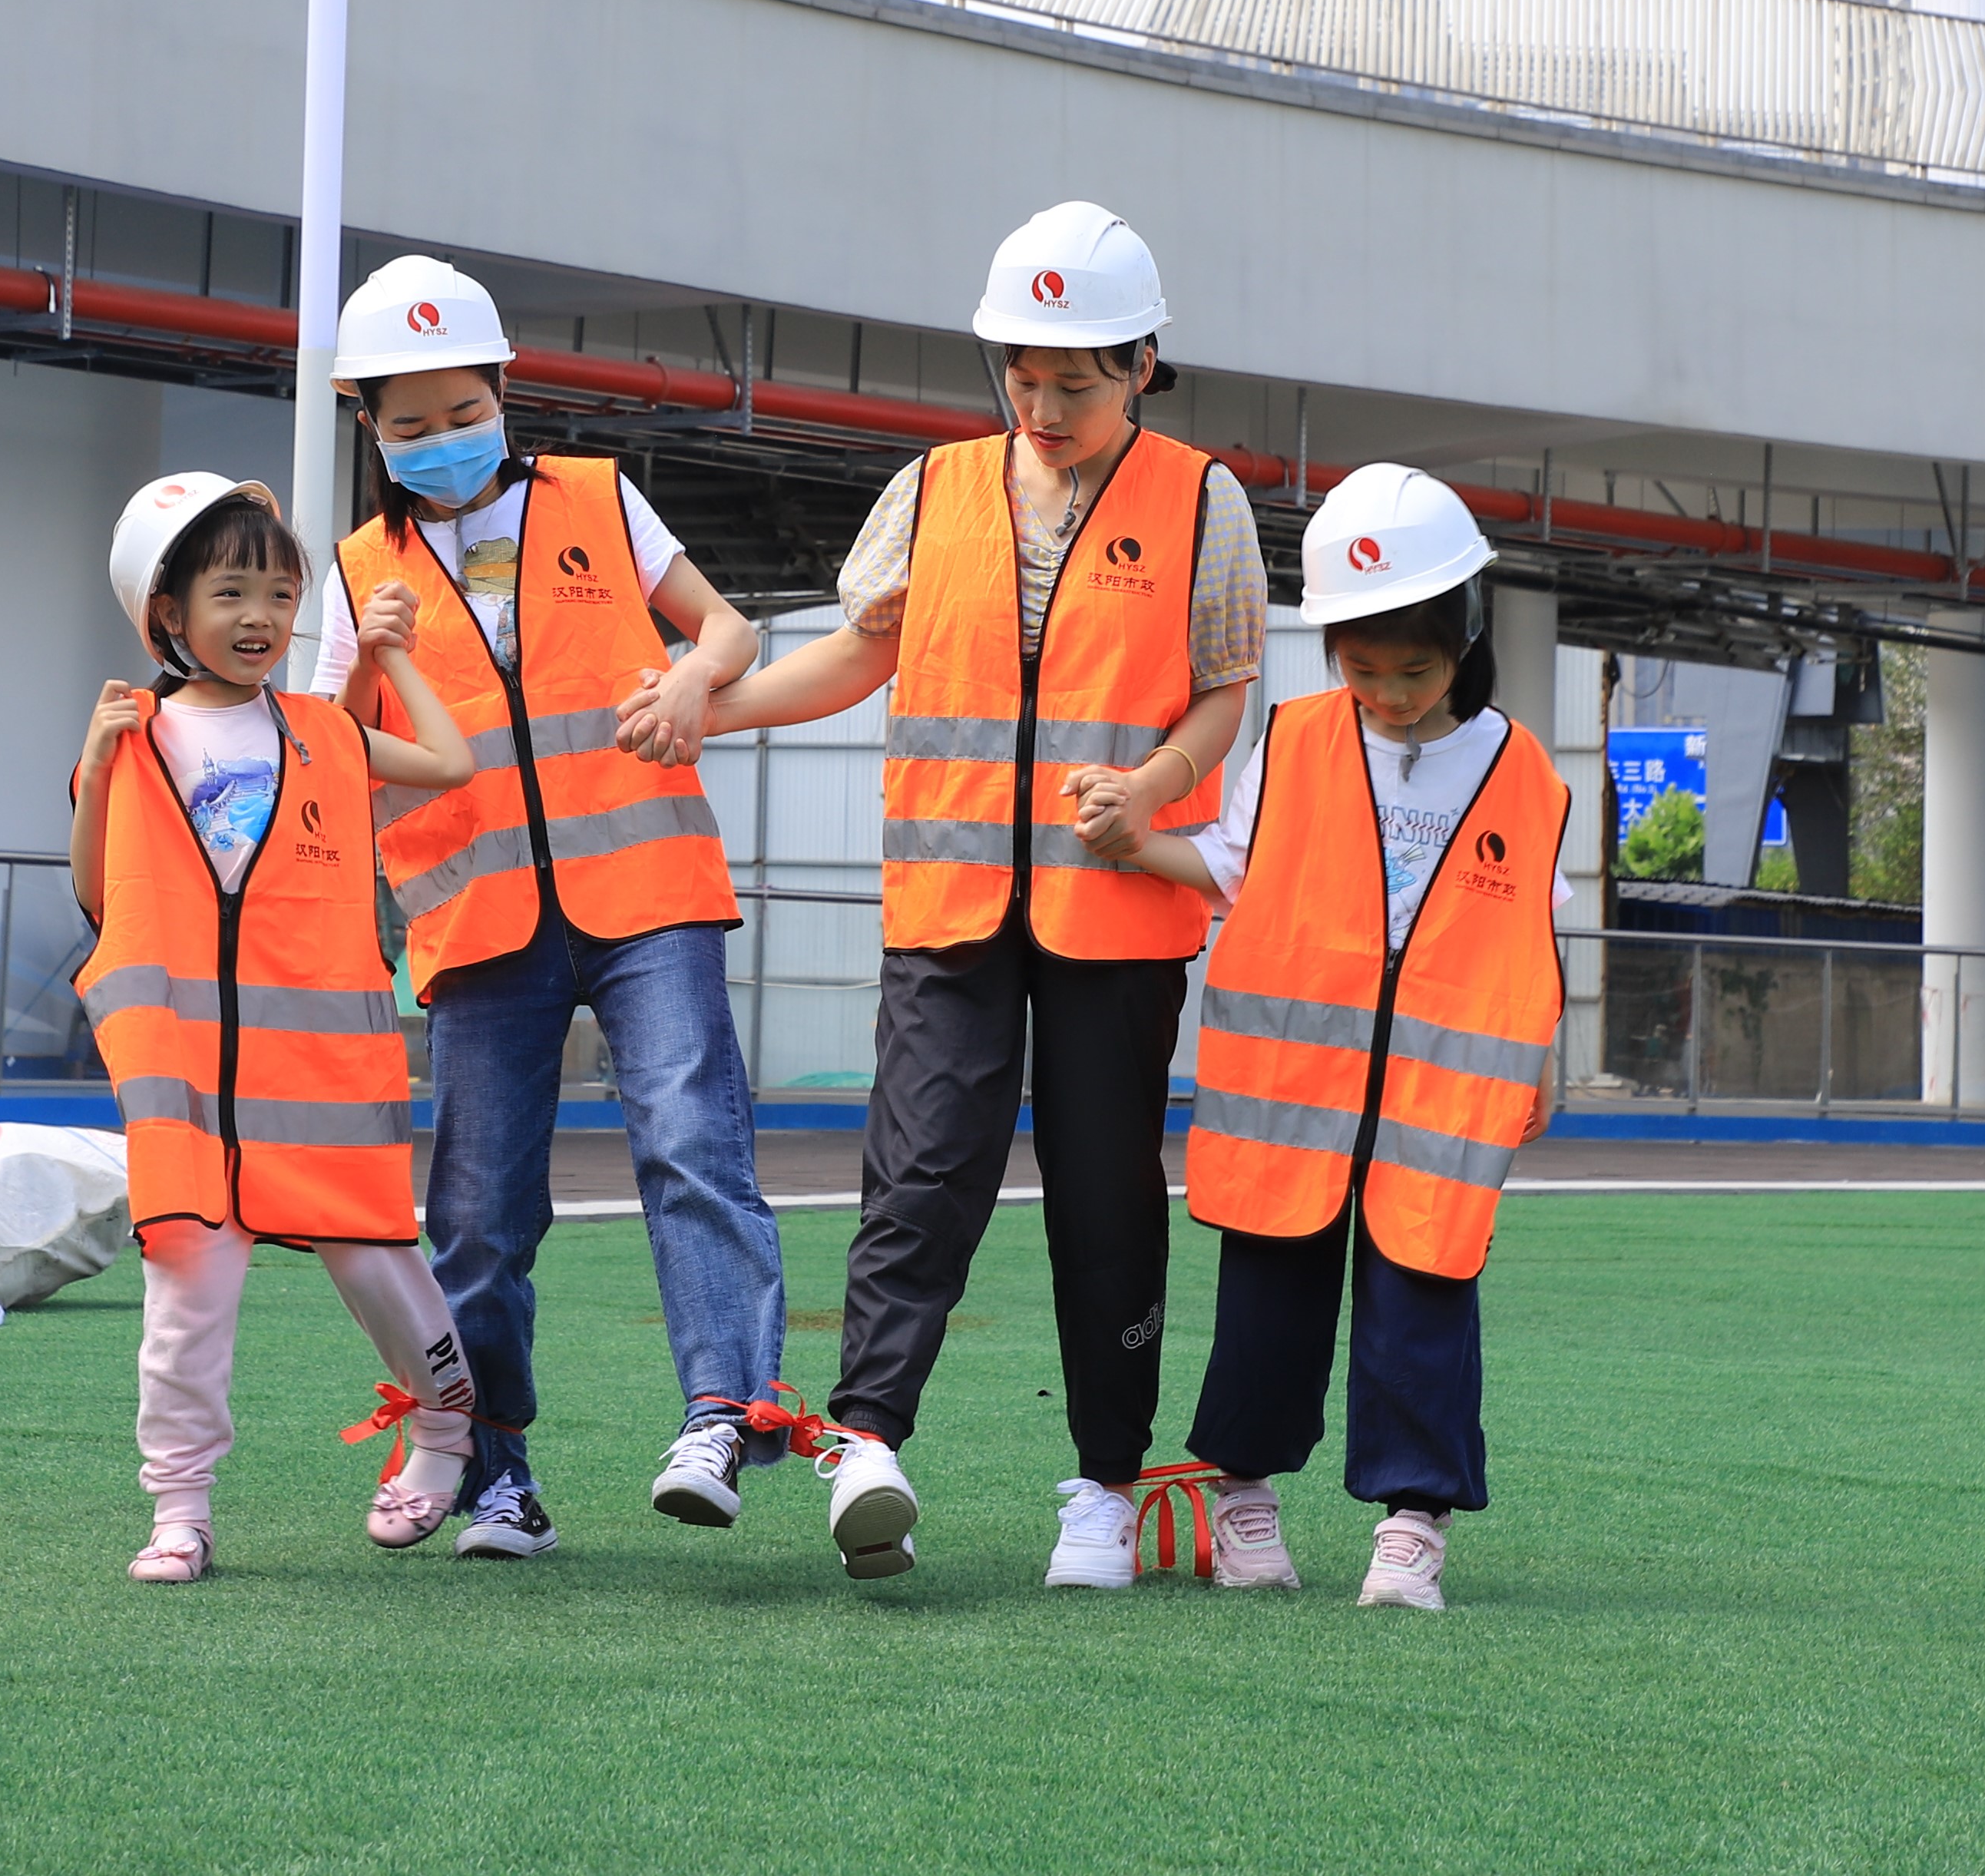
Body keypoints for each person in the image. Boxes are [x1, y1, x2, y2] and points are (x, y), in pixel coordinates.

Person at [683, 200, 1262, 1586]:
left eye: (1077, 378)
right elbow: (852, 659)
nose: (1044, 402)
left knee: (1105, 1202)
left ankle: (1106, 1489)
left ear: (1142, 364)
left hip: (1113, 917)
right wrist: (715, 711)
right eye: (1022, 372)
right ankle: (869, 1441)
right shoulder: (933, 491)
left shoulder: (1202, 499)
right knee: (918, 1182)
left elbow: (1226, 689)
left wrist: (1155, 785)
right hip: (948, 911)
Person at [319, 254, 782, 1563]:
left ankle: (719, 1416)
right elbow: (335, 759)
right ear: (370, 427)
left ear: (502, 393)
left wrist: (694, 684)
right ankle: (495, 1474)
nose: (442, 441)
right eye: (409, 426)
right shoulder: (356, 579)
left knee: (695, 1147)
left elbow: (730, 631)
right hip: (478, 930)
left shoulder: (597, 496)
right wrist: (382, 656)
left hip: (646, 897)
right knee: (476, 1215)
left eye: (462, 413)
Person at [1076, 462, 1569, 1612]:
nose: (1388, 693)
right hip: (1292, 1093)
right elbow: (1233, 872)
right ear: (1331, 651)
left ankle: (1413, 1527)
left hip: (1438, 1108)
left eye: (1415, 668)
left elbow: (1532, 939)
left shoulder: (1526, 775)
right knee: (1267, 1305)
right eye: (1362, 668)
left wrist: (1541, 1055)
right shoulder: (1292, 739)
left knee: (1425, 1299)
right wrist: (1136, 835)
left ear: (1467, 638)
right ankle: (1243, 1502)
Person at [71, 470, 484, 1586]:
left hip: (321, 1083)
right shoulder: (137, 737)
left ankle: (447, 1430)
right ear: (167, 615)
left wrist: (388, 661)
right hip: (188, 1097)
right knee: (186, 1304)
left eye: (281, 593)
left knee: (383, 1273)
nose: (261, 617)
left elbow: (451, 764)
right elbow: (102, 899)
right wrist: (101, 769)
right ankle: (180, 1509)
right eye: (231, 592)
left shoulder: (326, 734)